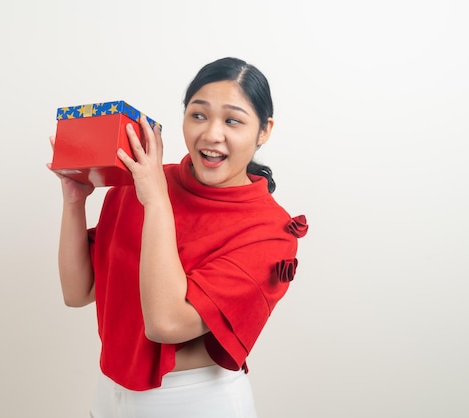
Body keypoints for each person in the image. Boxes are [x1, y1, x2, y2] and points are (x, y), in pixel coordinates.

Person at [49, 57, 308, 418]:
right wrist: (74, 201)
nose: (211, 134)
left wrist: (156, 199)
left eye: (233, 120)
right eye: (198, 115)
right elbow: (77, 293)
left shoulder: (269, 232)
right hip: (109, 395)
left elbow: (166, 324)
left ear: (264, 131)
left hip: (195, 402)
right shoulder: (142, 182)